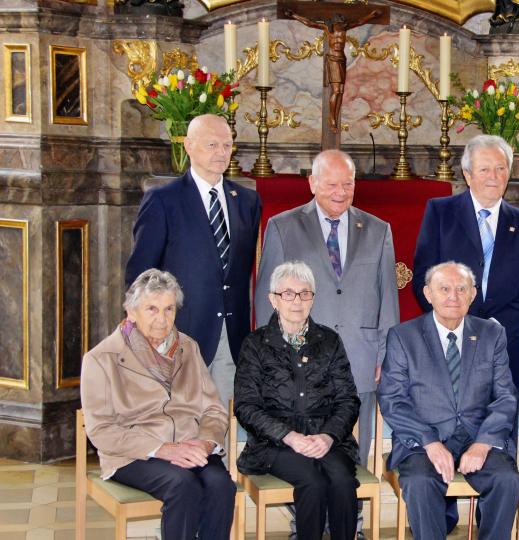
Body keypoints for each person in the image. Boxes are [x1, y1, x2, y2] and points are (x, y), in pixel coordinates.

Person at [255, 148, 398, 472]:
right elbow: (266, 296)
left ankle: (353, 515)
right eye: (332, 184)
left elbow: (388, 297)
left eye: (347, 184)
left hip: (360, 358)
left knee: (355, 447)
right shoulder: (283, 226)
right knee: (303, 447)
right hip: (300, 357)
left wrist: (384, 353)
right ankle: (303, 517)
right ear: (312, 183)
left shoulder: (378, 230)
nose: (340, 192)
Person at [80, 269, 235, 540]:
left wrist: (205, 443)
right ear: (131, 311)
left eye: (169, 309)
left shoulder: (189, 347)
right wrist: (163, 450)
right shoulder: (101, 358)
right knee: (183, 485)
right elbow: (102, 430)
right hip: (134, 454)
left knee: (221, 485)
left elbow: (213, 408)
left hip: (190, 447)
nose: (162, 320)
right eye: (151, 309)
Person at [125, 114, 262, 406]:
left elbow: (243, 272)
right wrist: (144, 328)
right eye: (212, 144)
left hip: (231, 336)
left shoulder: (247, 201)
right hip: (177, 334)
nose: (221, 152)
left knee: (220, 425)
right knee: (180, 423)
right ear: (188, 145)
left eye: (227, 145)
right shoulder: (164, 200)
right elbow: (140, 273)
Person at [379, 262, 519, 540]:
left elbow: (505, 395)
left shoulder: (492, 334)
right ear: (427, 293)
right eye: (444, 289)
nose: (453, 296)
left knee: (507, 479)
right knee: (420, 481)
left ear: (473, 294)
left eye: (461, 289)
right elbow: (392, 399)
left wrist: (483, 443)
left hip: (478, 437)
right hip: (423, 441)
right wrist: (430, 442)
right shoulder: (403, 336)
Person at [236, 261, 361, 540]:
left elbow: (348, 400)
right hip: (274, 443)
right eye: (288, 294)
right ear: (273, 300)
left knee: (342, 481)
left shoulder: (329, 341)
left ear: (313, 299)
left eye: (305, 294)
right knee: (313, 481)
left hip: (325, 438)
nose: (297, 301)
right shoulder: (255, 344)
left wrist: (328, 436)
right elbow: (246, 406)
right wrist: (289, 436)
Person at [413, 134, 519, 394]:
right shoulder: (440, 212)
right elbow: (423, 279)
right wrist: (457, 323)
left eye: (500, 168)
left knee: (500, 432)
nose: (493, 177)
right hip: (449, 343)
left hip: (505, 347)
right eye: (484, 169)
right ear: (468, 174)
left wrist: (495, 327)